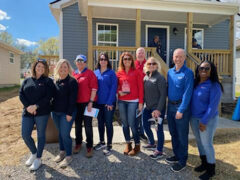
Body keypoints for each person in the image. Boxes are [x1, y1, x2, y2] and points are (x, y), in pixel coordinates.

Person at [19, 59, 54, 171]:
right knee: (25, 134)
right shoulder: (27, 80)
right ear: (34, 67)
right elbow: (21, 94)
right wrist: (28, 107)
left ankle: (38, 158)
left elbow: (49, 96)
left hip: (42, 112)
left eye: (43, 67)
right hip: (27, 112)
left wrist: (36, 106)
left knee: (40, 135)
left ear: (45, 69)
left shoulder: (48, 81)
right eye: (39, 66)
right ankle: (34, 153)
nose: (40, 68)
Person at [190, 60, 223, 180]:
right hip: (194, 117)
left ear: (211, 70)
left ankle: (211, 169)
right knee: (199, 142)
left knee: (207, 144)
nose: (203, 71)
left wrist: (204, 121)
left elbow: (213, 106)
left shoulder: (214, 85)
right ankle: (204, 163)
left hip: (207, 119)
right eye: (201, 68)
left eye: (206, 68)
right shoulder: (195, 83)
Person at [165, 48, 194, 172]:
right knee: (173, 132)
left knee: (182, 135)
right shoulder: (170, 72)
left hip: (181, 108)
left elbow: (188, 93)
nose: (178, 59)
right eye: (176, 56)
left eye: (180, 56)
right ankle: (177, 155)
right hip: (170, 106)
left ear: (184, 58)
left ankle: (182, 161)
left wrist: (181, 110)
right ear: (173, 58)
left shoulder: (188, 73)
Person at [51, 59, 78, 168]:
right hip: (55, 112)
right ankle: (62, 152)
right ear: (58, 68)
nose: (63, 69)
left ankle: (68, 156)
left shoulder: (72, 81)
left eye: (65, 67)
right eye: (61, 67)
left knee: (65, 134)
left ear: (68, 69)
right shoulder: (56, 81)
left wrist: (69, 113)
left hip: (67, 113)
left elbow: (73, 99)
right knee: (60, 133)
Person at [117, 52, 144, 156]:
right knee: (124, 124)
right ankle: (128, 143)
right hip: (122, 101)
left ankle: (137, 145)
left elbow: (141, 88)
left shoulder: (137, 72)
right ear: (122, 61)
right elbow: (116, 86)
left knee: (133, 124)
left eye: (129, 59)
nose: (127, 60)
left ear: (132, 60)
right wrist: (119, 91)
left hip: (133, 101)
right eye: (125, 59)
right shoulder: (119, 73)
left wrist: (141, 102)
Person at [72, 54, 98, 158]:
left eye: (82, 60)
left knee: (88, 125)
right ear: (75, 62)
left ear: (85, 62)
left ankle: (89, 146)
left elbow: (94, 89)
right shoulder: (74, 73)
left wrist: (91, 102)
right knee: (77, 125)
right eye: (78, 60)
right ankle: (78, 143)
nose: (79, 62)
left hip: (88, 103)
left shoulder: (90, 73)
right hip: (76, 104)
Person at [142, 57, 167, 159]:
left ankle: (160, 150)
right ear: (146, 66)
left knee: (158, 129)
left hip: (157, 108)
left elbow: (163, 95)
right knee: (145, 126)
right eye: (149, 64)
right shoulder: (146, 77)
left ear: (157, 65)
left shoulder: (160, 78)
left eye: (153, 63)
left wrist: (158, 110)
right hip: (147, 107)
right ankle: (152, 143)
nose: (151, 65)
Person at [94, 53, 117, 156]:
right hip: (98, 103)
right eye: (101, 59)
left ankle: (109, 145)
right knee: (100, 123)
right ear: (99, 61)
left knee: (108, 123)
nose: (103, 61)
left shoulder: (112, 73)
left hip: (109, 103)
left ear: (107, 61)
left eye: (104, 59)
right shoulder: (95, 73)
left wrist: (110, 102)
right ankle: (102, 142)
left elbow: (113, 88)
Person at [134, 47, 148, 141]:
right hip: (135, 92)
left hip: (146, 92)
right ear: (136, 55)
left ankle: (142, 132)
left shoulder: (148, 64)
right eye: (139, 53)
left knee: (143, 113)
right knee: (135, 113)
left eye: (142, 53)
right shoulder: (133, 64)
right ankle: (135, 132)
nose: (140, 54)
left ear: (145, 54)